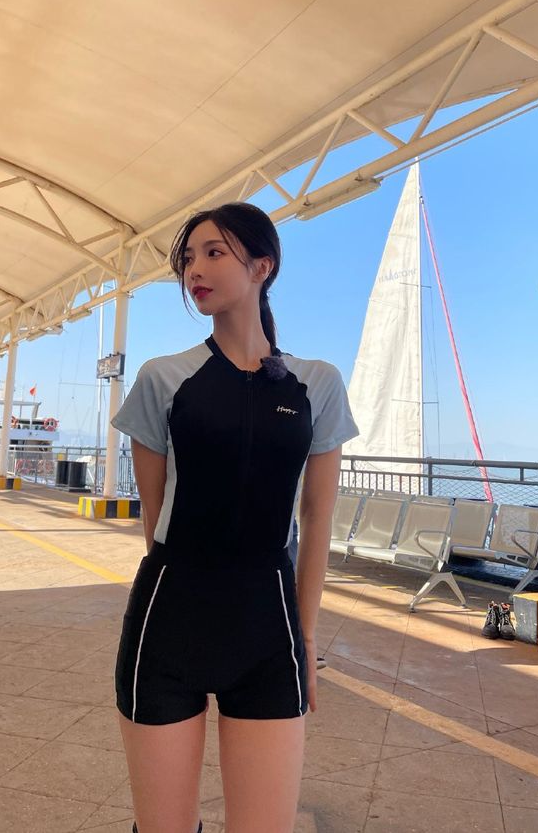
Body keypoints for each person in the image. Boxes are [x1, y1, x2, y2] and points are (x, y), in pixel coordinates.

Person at [111, 202, 358, 833]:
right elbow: (156, 517)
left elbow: (317, 522)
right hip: (169, 623)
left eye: (214, 253)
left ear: (262, 266)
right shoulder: (161, 378)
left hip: (268, 634)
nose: (196, 268)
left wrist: (303, 642)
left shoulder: (316, 384)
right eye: (189, 257)